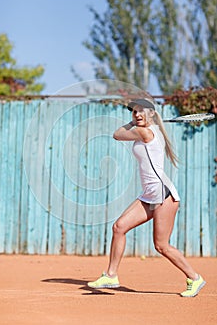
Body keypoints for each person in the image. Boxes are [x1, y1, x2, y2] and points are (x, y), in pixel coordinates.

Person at [88, 98, 206, 297]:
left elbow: (117, 135)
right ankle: (111, 275)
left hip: (163, 195)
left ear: (151, 113)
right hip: (149, 195)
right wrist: (137, 121)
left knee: (161, 245)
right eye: (134, 112)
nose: (137, 115)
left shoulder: (144, 132)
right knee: (119, 227)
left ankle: (195, 278)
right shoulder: (150, 130)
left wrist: (134, 123)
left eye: (141, 111)